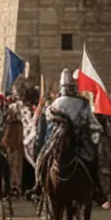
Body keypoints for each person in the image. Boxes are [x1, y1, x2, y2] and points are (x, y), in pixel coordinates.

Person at [35, 69, 105, 201]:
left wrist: (93, 131)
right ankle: (39, 184)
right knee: (42, 157)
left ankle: (96, 187)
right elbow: (48, 117)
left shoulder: (79, 103)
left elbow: (92, 123)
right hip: (59, 138)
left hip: (79, 139)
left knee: (94, 160)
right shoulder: (57, 103)